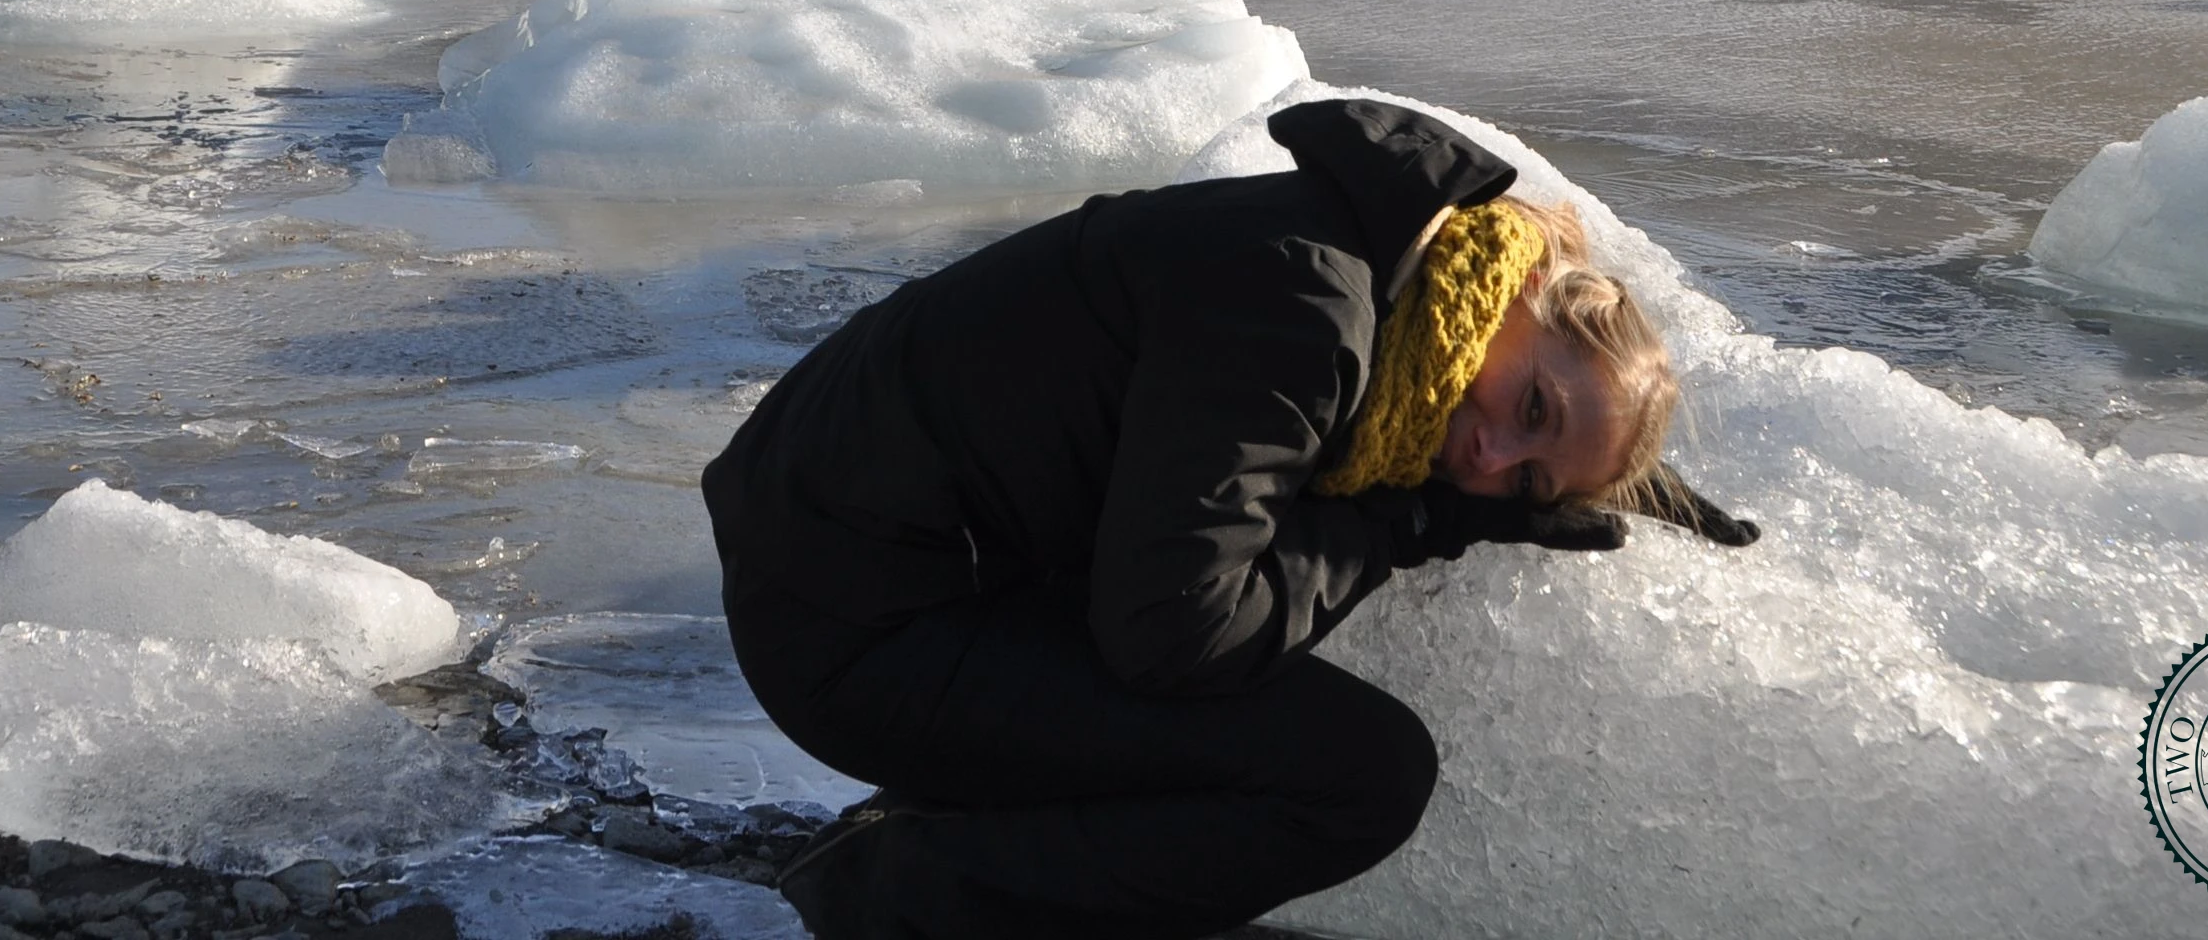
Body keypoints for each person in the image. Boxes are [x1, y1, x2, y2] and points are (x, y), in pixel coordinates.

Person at [702, 97, 1758, 940]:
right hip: (845, 625)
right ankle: (898, 890)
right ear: (1523, 295)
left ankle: (946, 833)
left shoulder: (1388, 280)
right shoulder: (1305, 311)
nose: (1492, 458)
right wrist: (1408, 526)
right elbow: (1176, 633)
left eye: (1528, 482)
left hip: (892, 567)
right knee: (1360, 777)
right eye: (1532, 408)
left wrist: (1602, 466)